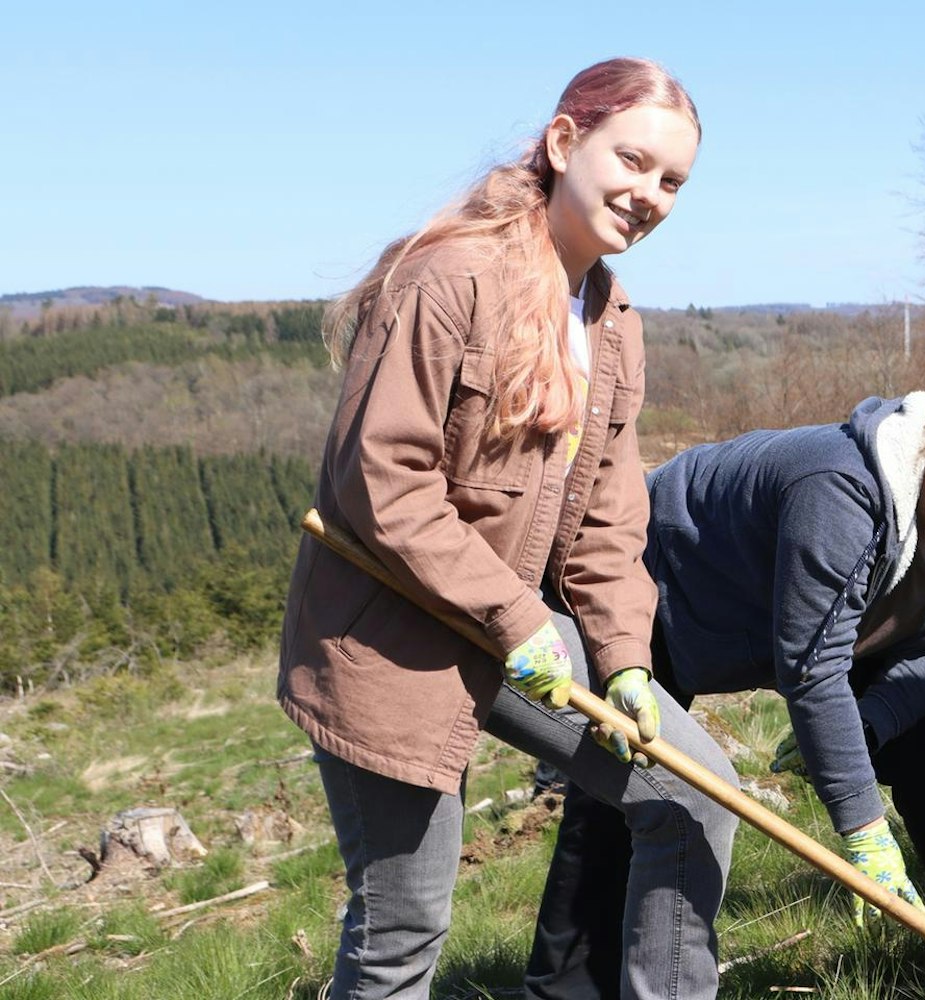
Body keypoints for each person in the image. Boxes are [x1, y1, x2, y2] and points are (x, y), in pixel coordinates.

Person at [278, 59, 705, 999]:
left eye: (672, 181)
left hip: (505, 626)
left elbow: (608, 519)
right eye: (632, 161)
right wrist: (513, 620)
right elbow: (383, 483)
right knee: (403, 926)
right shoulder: (447, 279)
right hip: (386, 631)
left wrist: (625, 657)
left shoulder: (611, 319)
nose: (649, 195)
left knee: (694, 790)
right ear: (563, 143)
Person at [525, 365, 925, 997]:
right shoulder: (842, 481)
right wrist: (865, 831)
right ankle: (566, 989)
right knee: (628, 780)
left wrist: (872, 724)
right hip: (664, 584)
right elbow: (813, 670)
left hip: (819, 623)